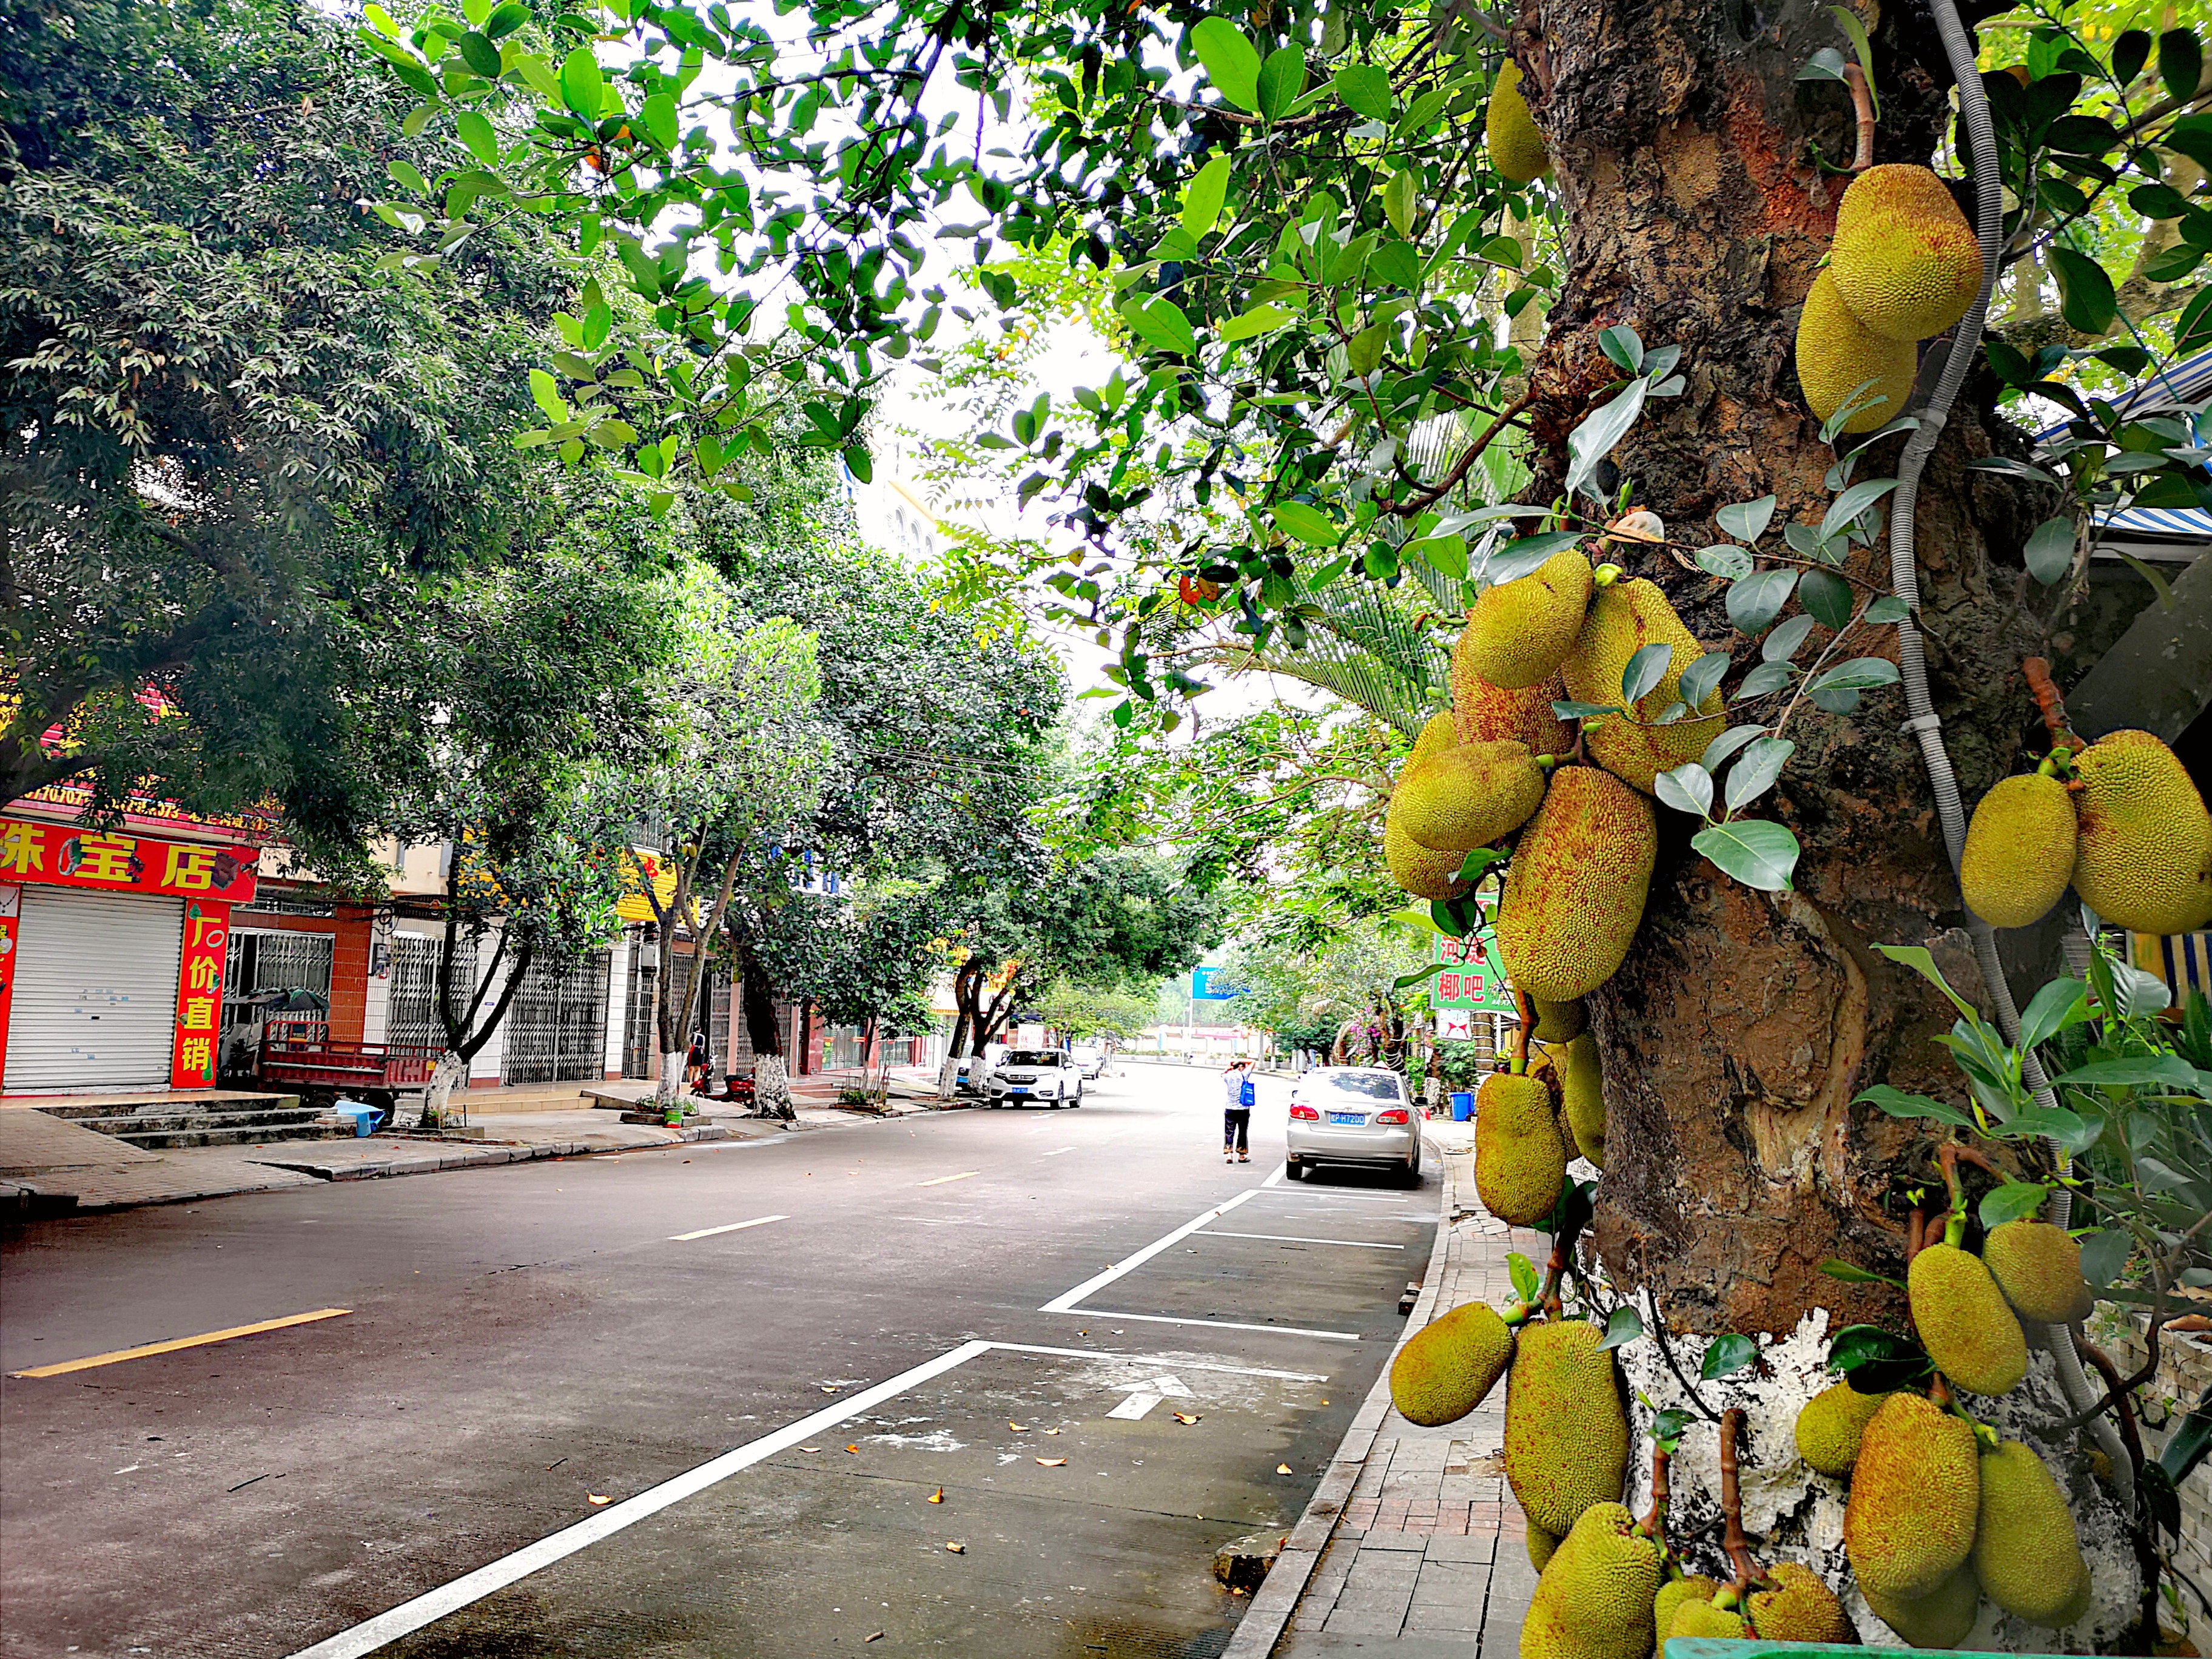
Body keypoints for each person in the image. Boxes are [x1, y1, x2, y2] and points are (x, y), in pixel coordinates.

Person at [1222, 1058, 1255, 1163]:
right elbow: (1253, 1062)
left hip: (1230, 1108)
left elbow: (1223, 1073)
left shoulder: (1228, 1076)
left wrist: (1230, 1065)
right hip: (1243, 1109)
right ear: (1241, 1067)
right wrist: (1241, 1059)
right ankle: (1241, 1156)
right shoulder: (1243, 1074)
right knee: (1242, 1132)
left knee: (1229, 1132)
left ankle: (1229, 1155)